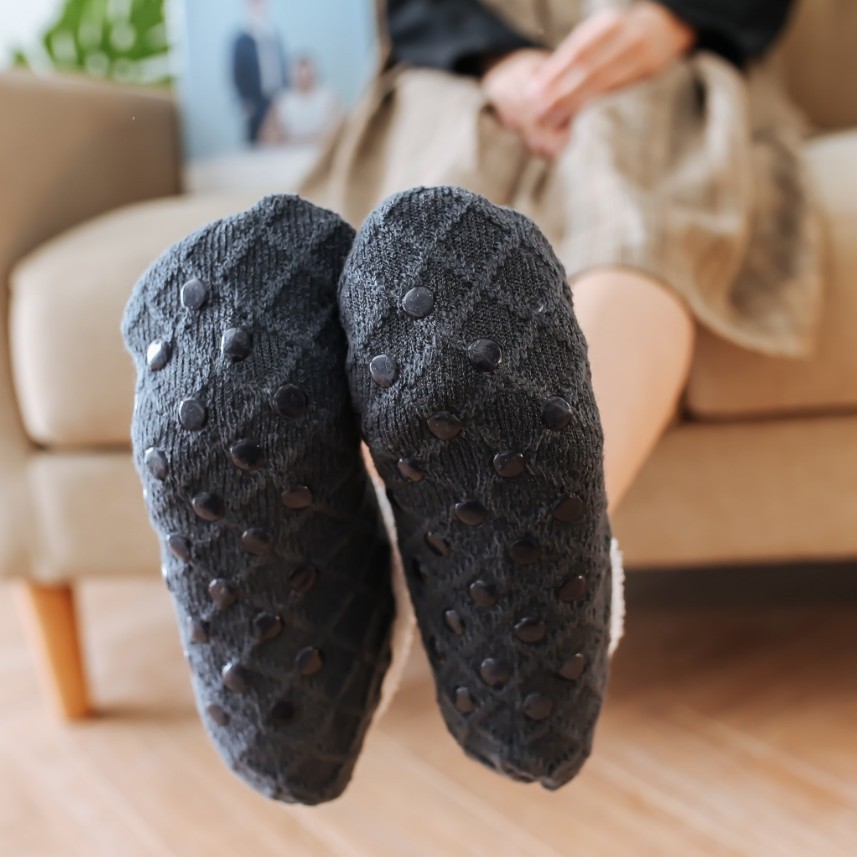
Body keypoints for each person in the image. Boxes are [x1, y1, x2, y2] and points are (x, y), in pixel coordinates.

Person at [121, 0, 823, 805]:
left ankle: (424, 568)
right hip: (465, 74)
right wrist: (498, 61)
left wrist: (668, 20)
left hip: (663, 58)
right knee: (424, 248)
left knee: (634, 207)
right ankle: (416, 545)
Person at [231, 0, 288, 143]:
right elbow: (237, 73)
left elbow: (281, 66)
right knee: (255, 141)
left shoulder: (273, 36)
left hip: (276, 99)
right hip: (255, 103)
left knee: (279, 140)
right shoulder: (241, 41)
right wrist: (244, 101)